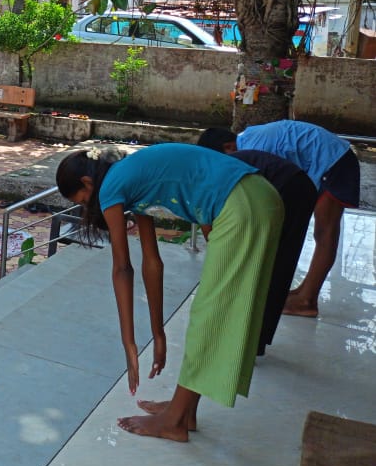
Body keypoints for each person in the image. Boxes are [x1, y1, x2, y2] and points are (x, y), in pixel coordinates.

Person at [55, 143, 283, 442]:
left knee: (210, 313)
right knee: (216, 309)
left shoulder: (109, 187)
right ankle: (184, 410)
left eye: (85, 201)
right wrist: (158, 334)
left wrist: (129, 344)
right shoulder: (130, 176)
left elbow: (122, 269)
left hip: (241, 204)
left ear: (87, 183)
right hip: (258, 196)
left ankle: (174, 421)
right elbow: (152, 263)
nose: (90, 209)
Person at [197, 120, 359, 318]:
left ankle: (307, 301)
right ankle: (303, 292)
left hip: (334, 162)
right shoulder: (249, 139)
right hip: (326, 158)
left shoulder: (252, 152)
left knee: (324, 232)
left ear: (229, 147)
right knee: (320, 232)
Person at [196, 146, 319, 355]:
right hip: (296, 187)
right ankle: (254, 340)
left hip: (290, 189)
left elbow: (210, 228)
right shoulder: (218, 166)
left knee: (273, 266)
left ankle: (252, 341)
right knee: (274, 264)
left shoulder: (210, 175)